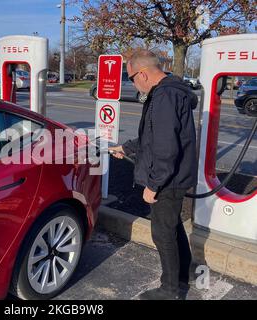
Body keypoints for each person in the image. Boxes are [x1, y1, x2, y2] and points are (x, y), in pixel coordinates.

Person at [109, 50, 198, 300]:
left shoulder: (164, 97)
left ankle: (170, 290)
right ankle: (184, 274)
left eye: (131, 78)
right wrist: (126, 148)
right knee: (172, 226)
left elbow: (165, 148)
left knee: (162, 233)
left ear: (144, 74)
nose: (132, 83)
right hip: (174, 177)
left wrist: (154, 185)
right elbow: (152, 138)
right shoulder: (169, 92)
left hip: (168, 180)